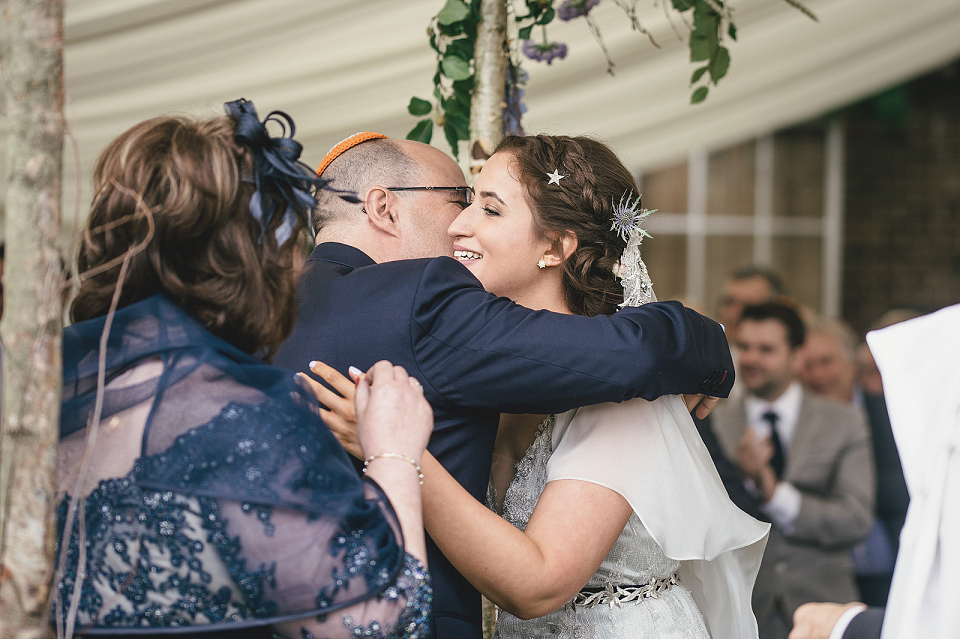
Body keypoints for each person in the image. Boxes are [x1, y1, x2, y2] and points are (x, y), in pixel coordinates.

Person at [273, 134, 735, 639]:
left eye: (488, 209)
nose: (459, 225)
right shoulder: (448, 330)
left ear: (556, 247)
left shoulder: (617, 393)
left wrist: (392, 449)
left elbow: (537, 583)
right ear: (382, 207)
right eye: (461, 200)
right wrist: (705, 342)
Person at [56, 101, 433, 638]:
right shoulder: (243, 426)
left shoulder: (54, 404)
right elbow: (385, 629)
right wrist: (394, 454)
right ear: (254, 262)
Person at [789, 303, 960, 639]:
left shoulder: (894, 415)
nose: (819, 375)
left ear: (850, 366)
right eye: (808, 366)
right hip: (832, 579)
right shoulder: (795, 425)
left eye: (827, 362)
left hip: (897, 572)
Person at [711, 303, 874, 639]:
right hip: (743, 611)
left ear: (798, 357)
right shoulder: (714, 421)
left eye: (766, 349)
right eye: (745, 347)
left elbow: (856, 519)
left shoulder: (843, 421)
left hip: (825, 609)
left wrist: (774, 493)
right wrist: (740, 480)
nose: (751, 358)